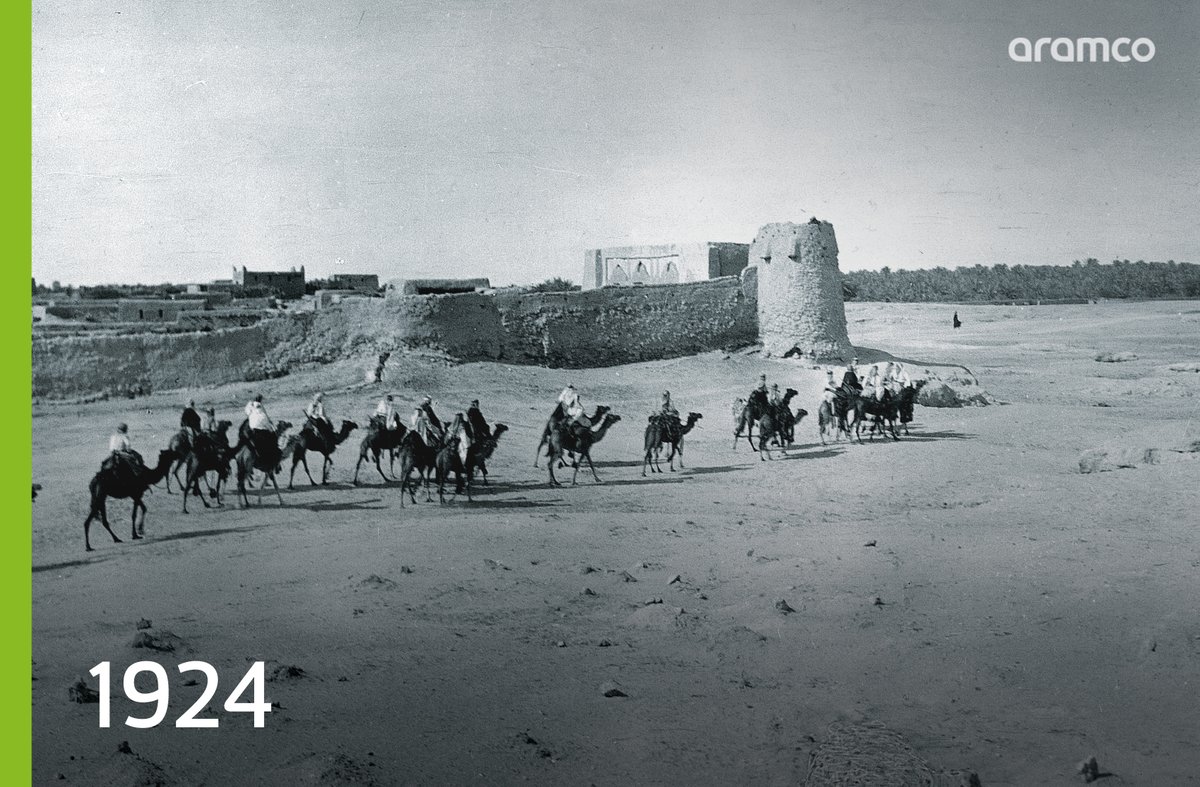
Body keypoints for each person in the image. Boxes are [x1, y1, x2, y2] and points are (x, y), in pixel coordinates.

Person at [244, 394, 279, 466]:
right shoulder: (261, 408)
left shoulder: (250, 406)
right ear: (260, 400)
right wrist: (272, 428)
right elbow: (265, 419)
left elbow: (247, 411)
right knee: (273, 439)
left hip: (253, 429)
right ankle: (273, 460)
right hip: (261, 429)